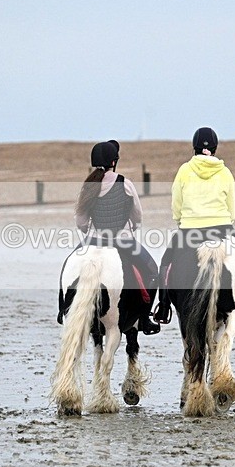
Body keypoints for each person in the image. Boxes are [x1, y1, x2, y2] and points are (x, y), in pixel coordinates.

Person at [153, 127, 235, 324]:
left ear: (194, 147)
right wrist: (225, 222)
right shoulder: (225, 172)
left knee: (166, 262)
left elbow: (176, 204)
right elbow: (232, 209)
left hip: (190, 230)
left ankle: (163, 306)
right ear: (215, 147)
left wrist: (181, 221)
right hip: (222, 228)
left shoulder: (184, 170)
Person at [74, 140, 160, 335]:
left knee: (69, 267)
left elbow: (80, 221)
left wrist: (90, 232)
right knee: (153, 272)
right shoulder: (125, 184)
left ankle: (64, 310)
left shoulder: (88, 186)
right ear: (114, 162)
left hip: (93, 240)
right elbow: (137, 216)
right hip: (123, 241)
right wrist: (131, 229)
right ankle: (144, 319)